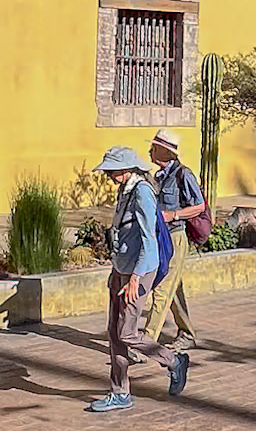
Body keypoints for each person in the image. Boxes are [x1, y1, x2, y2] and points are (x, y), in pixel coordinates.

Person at [88, 145, 189, 413]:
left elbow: (149, 239)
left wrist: (135, 278)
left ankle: (173, 361)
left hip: (139, 271)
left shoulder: (142, 191)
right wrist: (117, 271)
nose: (108, 175)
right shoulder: (126, 189)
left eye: (112, 170)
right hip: (121, 269)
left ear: (126, 169)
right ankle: (120, 392)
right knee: (114, 333)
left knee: (127, 332)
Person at [145, 129, 205, 350]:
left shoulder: (184, 175)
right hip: (161, 237)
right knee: (172, 289)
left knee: (161, 287)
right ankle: (187, 334)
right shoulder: (158, 177)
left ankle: (147, 340)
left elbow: (199, 206)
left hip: (176, 237)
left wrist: (174, 215)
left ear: (165, 151)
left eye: (154, 147)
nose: (149, 151)